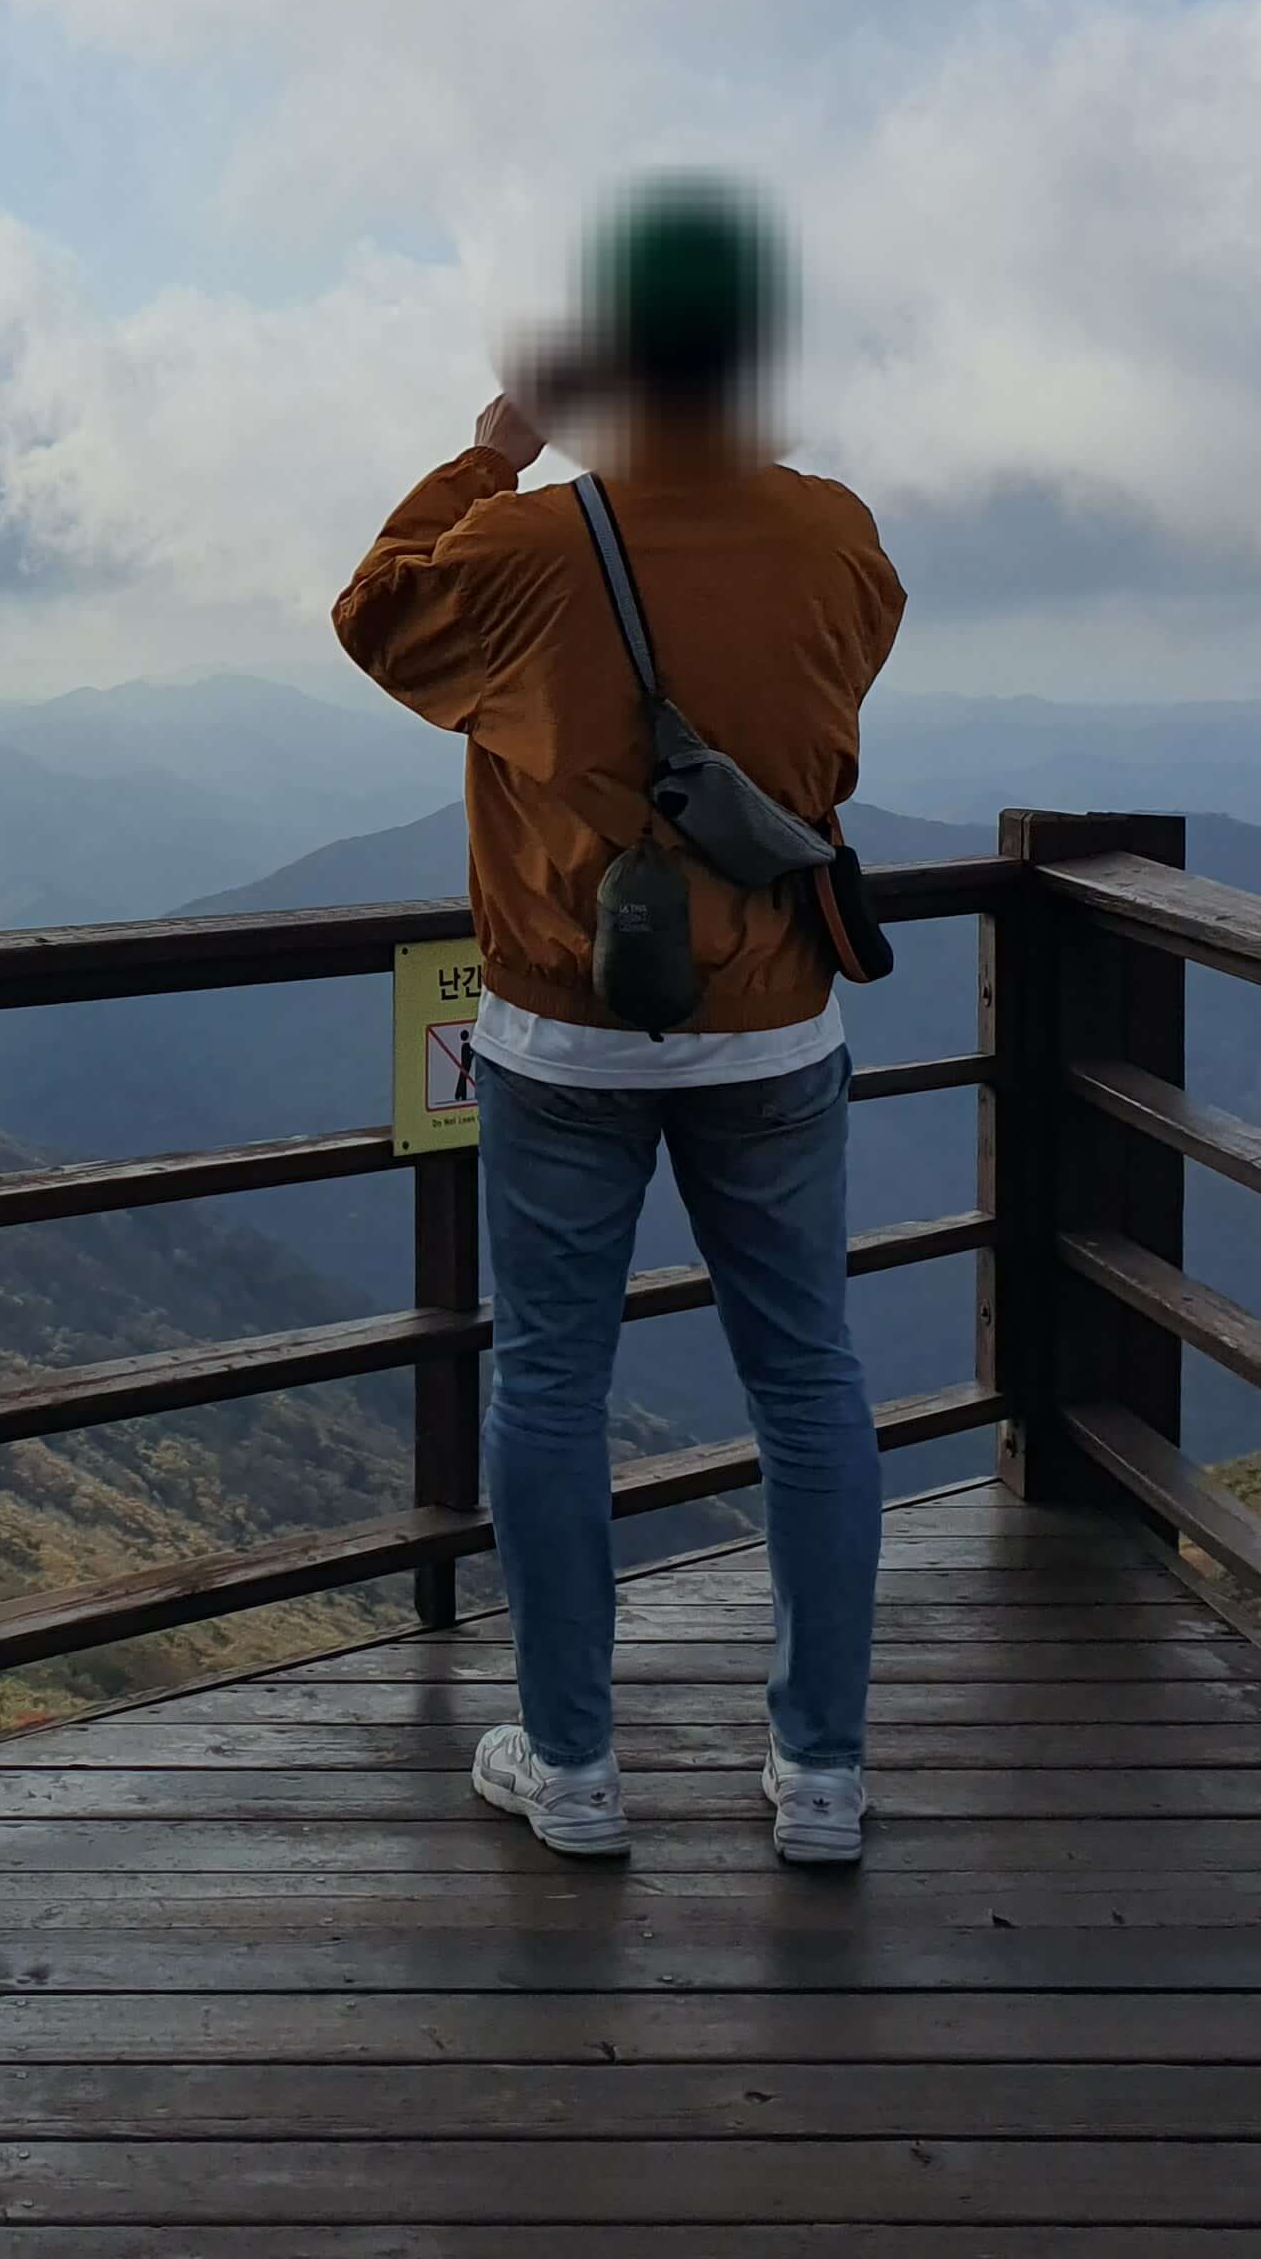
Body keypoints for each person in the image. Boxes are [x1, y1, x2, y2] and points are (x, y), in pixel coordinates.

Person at [333, 177, 905, 1866]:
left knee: (553, 1385)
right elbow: (841, 671)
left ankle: (573, 1765)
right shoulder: (838, 535)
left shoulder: (521, 551)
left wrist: (502, 439)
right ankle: (822, 1776)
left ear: (609, 354)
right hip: (780, 1026)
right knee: (810, 1379)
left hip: (562, 1034)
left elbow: (375, 612)